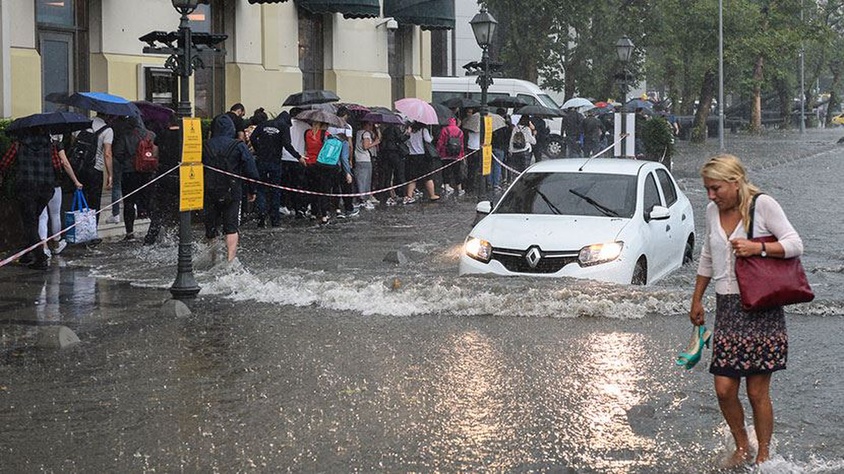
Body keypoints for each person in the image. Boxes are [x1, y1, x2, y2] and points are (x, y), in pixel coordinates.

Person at [689, 154, 804, 468]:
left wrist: (759, 247)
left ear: (735, 183)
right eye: (707, 190)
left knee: (756, 391)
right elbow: (707, 256)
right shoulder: (712, 211)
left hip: (760, 308)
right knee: (724, 388)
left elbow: (795, 244)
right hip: (727, 309)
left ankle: (763, 453)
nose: (711, 196)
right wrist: (697, 298)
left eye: (716, 189)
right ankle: (742, 446)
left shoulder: (763, 205)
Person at [203, 114, 258, 262]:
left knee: (211, 227)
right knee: (231, 226)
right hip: (232, 191)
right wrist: (252, 191)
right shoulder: (238, 145)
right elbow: (251, 170)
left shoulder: (204, 145)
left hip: (209, 190)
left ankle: (212, 259)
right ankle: (230, 260)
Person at [111, 115, 155, 241]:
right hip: (148, 173)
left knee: (129, 203)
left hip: (130, 173)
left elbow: (118, 153)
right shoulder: (151, 135)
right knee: (149, 202)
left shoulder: (125, 136)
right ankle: (153, 230)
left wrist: (127, 162)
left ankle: (130, 233)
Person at [144, 115, 181, 245]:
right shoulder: (184, 136)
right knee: (180, 207)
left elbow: (154, 154)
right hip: (181, 174)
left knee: (159, 208)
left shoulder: (162, 134)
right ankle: (178, 236)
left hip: (164, 173)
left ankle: (151, 237)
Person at [404, 121, 440, 204]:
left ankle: (409, 196)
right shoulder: (424, 130)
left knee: (412, 178)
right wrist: (431, 136)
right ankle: (432, 195)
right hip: (422, 156)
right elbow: (429, 140)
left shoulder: (409, 131)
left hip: (411, 156)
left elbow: (406, 141)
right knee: (427, 177)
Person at [354, 121, 380, 209]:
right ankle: (364, 199)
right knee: (366, 180)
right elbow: (366, 146)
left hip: (357, 158)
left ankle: (363, 198)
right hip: (365, 158)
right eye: (369, 124)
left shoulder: (358, 132)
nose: (371, 126)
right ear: (365, 125)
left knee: (361, 179)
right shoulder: (366, 134)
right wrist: (375, 143)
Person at [436, 117, 464, 197]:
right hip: (457, 155)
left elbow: (440, 142)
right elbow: (461, 144)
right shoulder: (460, 131)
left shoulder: (445, 130)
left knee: (446, 171)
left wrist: (438, 151)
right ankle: (459, 188)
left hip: (445, 154)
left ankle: (446, 186)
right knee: (457, 172)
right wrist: (462, 155)